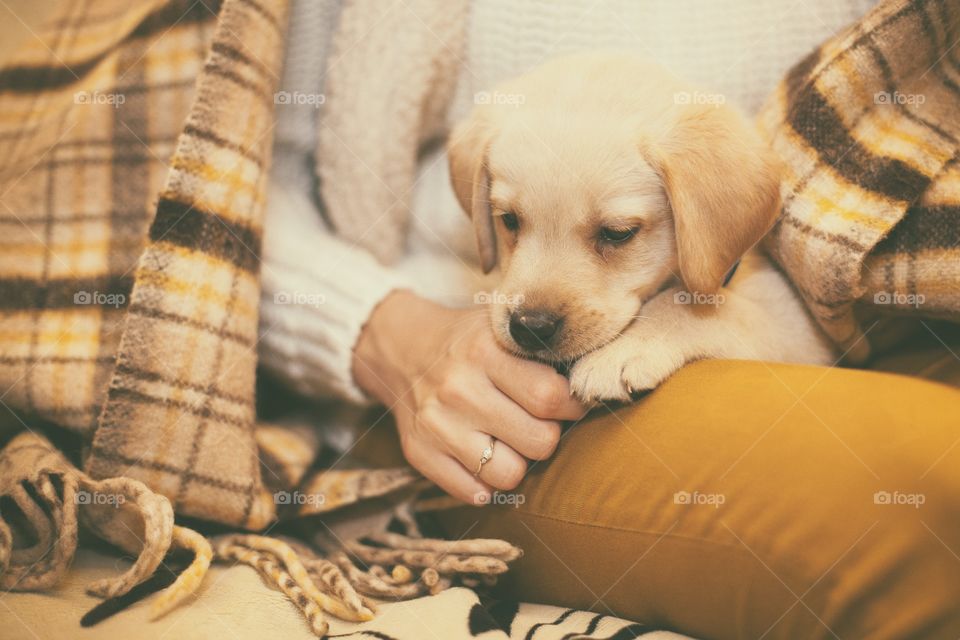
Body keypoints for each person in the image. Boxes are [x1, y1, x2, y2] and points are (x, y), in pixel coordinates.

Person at [258, 1, 960, 637]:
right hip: (454, 389)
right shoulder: (490, 179)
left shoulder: (713, 174)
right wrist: (386, 334)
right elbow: (242, 201)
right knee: (927, 490)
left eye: (614, 235)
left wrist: (691, 315)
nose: (533, 302)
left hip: (901, 305)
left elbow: (780, 304)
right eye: (512, 222)